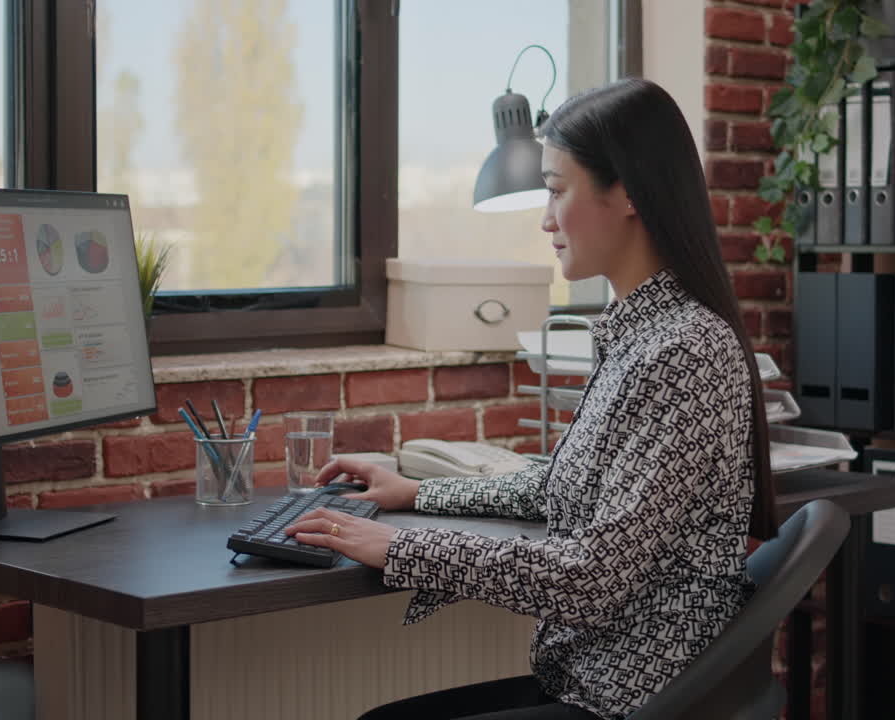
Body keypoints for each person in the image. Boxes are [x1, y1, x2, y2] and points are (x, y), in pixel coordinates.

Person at [284, 77, 776, 720]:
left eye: (555, 189)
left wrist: (401, 548)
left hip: (631, 699)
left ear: (625, 191)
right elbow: (559, 489)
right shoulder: (642, 332)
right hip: (592, 681)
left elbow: (591, 578)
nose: (546, 220)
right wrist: (416, 493)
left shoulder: (682, 351)